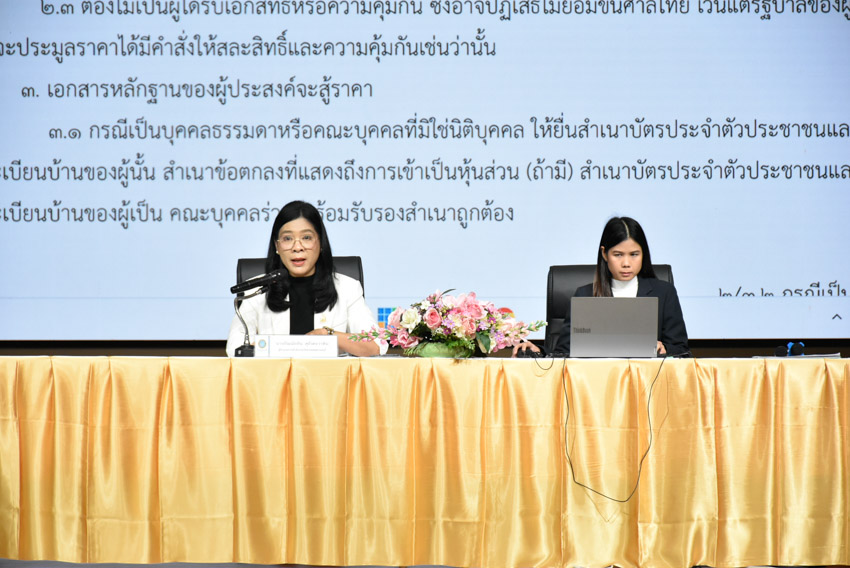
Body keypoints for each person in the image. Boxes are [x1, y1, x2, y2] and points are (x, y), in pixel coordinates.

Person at [225, 200, 386, 357]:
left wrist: (328, 335)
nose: (297, 247)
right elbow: (235, 349)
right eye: (288, 239)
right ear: (277, 246)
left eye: (307, 238)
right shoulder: (256, 291)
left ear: (320, 242)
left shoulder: (347, 288)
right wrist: (284, 348)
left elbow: (376, 345)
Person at [514, 216, 689, 357]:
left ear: (644, 254)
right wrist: (539, 351)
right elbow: (564, 353)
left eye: (634, 254)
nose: (626, 263)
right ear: (605, 253)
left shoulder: (664, 292)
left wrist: (665, 348)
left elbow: (682, 350)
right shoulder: (585, 295)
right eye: (618, 255)